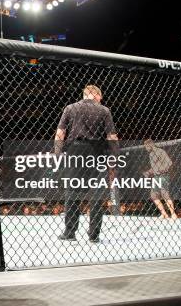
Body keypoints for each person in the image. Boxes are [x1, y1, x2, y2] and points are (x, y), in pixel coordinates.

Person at [55, 84, 118, 243]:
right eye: (100, 97)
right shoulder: (104, 110)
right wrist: (115, 156)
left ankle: (70, 232)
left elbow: (60, 133)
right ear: (95, 95)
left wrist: (57, 154)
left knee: (72, 191)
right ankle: (94, 235)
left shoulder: (70, 108)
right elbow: (111, 136)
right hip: (97, 152)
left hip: (75, 151)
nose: (101, 100)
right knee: (97, 193)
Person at [142, 139, 177, 220]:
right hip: (156, 177)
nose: (146, 149)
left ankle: (173, 213)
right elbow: (155, 168)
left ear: (149, 145)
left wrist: (162, 169)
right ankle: (164, 214)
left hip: (163, 176)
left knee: (165, 194)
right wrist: (148, 172)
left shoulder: (160, 151)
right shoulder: (151, 154)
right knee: (153, 195)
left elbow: (169, 163)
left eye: (146, 147)